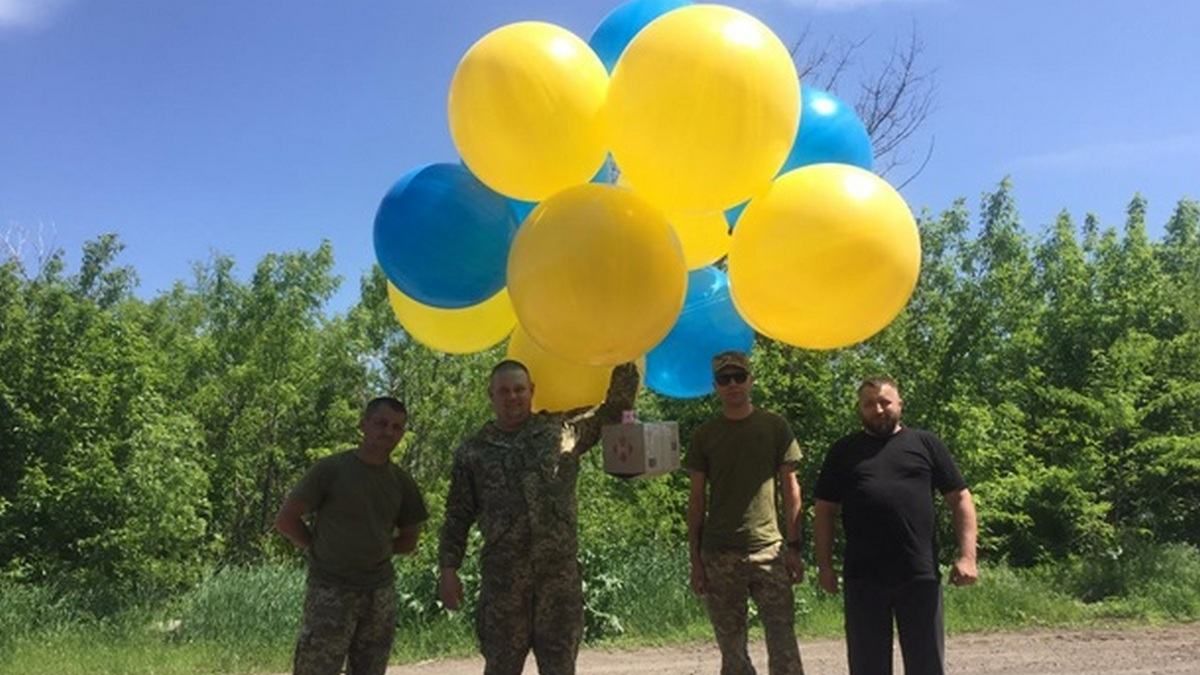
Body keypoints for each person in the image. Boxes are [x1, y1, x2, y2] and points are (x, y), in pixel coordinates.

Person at [437, 359, 639, 675]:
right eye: (503, 391)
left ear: (531, 391)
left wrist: (624, 356)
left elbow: (612, 412)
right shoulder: (473, 451)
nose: (512, 397)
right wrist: (448, 569)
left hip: (558, 583)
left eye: (519, 389)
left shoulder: (561, 431)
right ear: (491, 395)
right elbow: (457, 515)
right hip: (504, 584)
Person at [814, 376, 978, 675]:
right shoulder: (843, 451)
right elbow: (824, 510)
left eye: (885, 402)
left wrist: (967, 556)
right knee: (867, 667)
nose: (878, 409)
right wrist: (824, 566)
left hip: (919, 574)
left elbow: (961, 499)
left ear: (900, 404)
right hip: (863, 578)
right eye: (869, 404)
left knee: (926, 665)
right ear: (859, 409)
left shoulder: (926, 444)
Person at [275, 396, 428, 675]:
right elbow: (286, 519)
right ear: (364, 425)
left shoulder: (402, 483)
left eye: (396, 427)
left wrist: (377, 548)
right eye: (381, 423)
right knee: (316, 668)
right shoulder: (331, 470)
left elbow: (409, 539)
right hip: (330, 590)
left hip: (378, 593)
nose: (388, 431)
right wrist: (317, 547)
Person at [685, 350, 806, 675]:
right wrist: (695, 560)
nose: (733, 384)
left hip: (769, 550)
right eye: (725, 379)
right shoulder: (705, 435)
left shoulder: (774, 425)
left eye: (739, 377)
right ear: (716, 386)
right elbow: (697, 500)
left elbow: (791, 489)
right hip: (719, 554)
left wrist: (794, 547)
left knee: (784, 646)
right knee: (732, 651)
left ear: (751, 380)